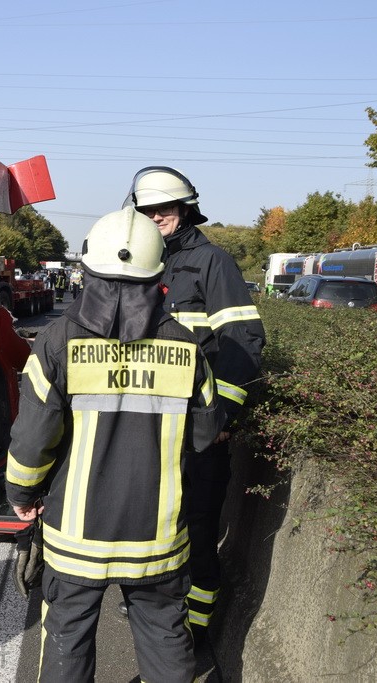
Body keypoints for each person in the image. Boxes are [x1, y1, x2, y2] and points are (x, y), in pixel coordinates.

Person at [6, 207, 224, 681]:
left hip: (74, 536)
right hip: (157, 537)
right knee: (166, 634)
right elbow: (206, 435)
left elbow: (32, 440)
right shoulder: (188, 349)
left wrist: (22, 496)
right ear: (159, 272)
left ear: (87, 268)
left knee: (66, 635)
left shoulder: (55, 342)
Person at [124, 166, 265, 642]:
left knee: (199, 525)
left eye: (163, 208)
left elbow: (242, 341)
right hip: (147, 423)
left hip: (198, 424)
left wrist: (221, 415)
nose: (154, 216)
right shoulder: (140, 262)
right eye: (146, 210)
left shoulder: (212, 262)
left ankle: (197, 628)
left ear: (184, 209)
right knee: (156, 521)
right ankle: (161, 613)